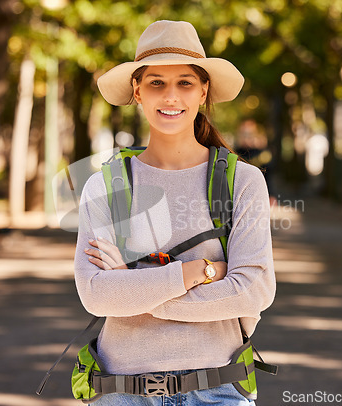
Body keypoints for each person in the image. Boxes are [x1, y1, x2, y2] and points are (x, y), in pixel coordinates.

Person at [74, 20, 276, 405]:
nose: (171, 97)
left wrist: (134, 289)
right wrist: (196, 273)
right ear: (137, 92)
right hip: (121, 393)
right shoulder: (106, 185)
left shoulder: (243, 181)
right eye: (156, 83)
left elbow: (254, 291)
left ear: (203, 92)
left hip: (219, 390)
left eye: (185, 83)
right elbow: (97, 295)